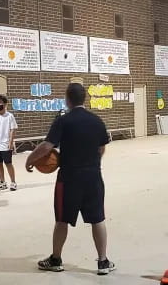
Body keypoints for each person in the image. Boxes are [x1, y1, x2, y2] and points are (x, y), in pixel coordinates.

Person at [25, 83, 115, 275]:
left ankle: (56, 259)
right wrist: (89, 162)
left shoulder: (63, 121)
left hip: (68, 179)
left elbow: (47, 146)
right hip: (93, 177)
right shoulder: (97, 121)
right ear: (84, 98)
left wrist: (30, 159)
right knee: (97, 219)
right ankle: (103, 262)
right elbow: (101, 148)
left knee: (62, 220)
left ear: (67, 98)